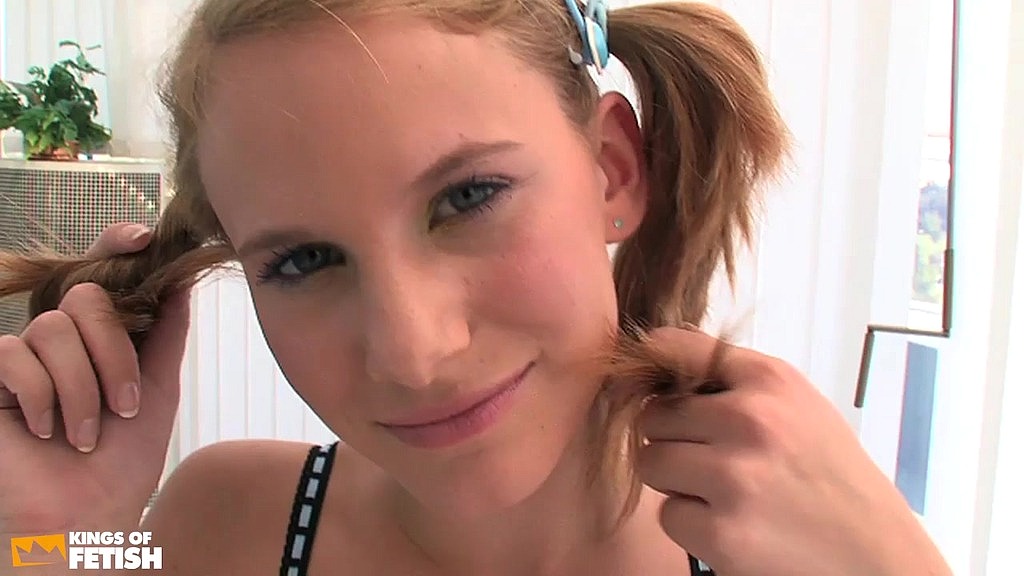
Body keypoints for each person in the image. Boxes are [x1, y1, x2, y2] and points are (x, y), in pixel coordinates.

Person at [0, 0, 952, 574]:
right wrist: (45, 539)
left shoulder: (793, 553)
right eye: (303, 262)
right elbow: (70, 563)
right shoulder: (216, 526)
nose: (413, 352)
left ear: (613, 170)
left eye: (469, 197)